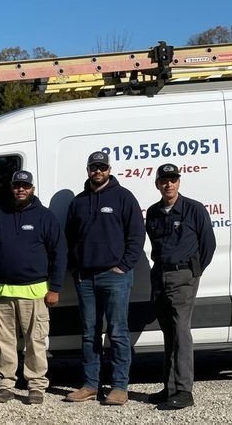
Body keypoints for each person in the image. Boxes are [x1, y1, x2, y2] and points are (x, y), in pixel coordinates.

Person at [64, 151, 145, 405]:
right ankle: (90, 384)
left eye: (102, 167)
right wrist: (76, 269)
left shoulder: (123, 197)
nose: (97, 171)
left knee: (118, 332)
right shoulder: (78, 202)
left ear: (109, 169)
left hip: (115, 277)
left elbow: (136, 236)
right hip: (85, 278)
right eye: (93, 167)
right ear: (87, 170)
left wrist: (122, 267)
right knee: (89, 334)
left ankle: (120, 387)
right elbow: (70, 238)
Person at [0, 170, 66, 405]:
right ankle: (5, 384)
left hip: (36, 292)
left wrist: (55, 287)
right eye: (17, 185)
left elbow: (59, 253)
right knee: (4, 342)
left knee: (35, 342)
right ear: (12, 188)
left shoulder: (45, 217)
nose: (21, 189)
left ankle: (36, 386)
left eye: (25, 186)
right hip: (2, 291)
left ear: (32, 189)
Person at [145, 163, 215, 409]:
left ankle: (184, 391)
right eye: (164, 180)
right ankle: (170, 387)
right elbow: (155, 244)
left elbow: (208, 245)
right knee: (169, 334)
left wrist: (193, 273)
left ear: (179, 182)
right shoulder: (154, 212)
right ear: (157, 184)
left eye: (173, 179)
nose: (168, 184)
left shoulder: (193, 209)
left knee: (181, 333)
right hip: (160, 277)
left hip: (183, 278)